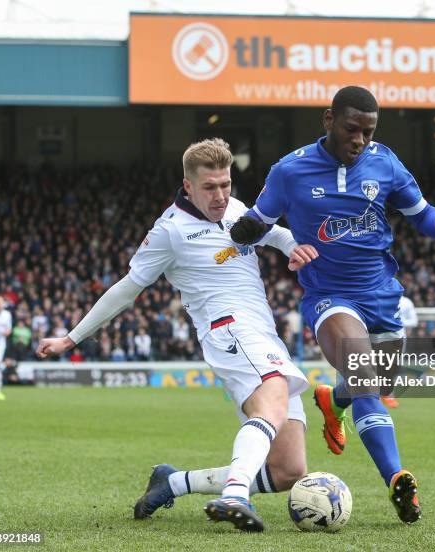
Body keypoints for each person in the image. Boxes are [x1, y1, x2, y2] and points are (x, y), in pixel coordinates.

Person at [36, 138, 318, 532]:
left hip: (264, 334)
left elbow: (273, 232)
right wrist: (72, 337)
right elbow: (127, 288)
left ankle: (173, 481)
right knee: (269, 403)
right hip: (229, 330)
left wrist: (293, 246)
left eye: (225, 184)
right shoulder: (171, 231)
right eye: (209, 187)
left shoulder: (236, 209)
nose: (220, 196)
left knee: (289, 467)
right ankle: (235, 494)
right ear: (187, 186)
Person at [230, 86, 435, 524]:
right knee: (365, 378)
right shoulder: (291, 170)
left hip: (382, 295)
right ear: (329, 120)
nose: (359, 139)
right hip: (330, 298)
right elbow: (260, 221)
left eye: (368, 130)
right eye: (351, 129)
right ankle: (397, 478)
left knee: (372, 383)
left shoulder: (385, 163)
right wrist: (243, 229)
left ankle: (332, 399)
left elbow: (424, 217)